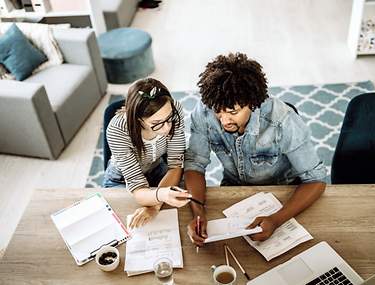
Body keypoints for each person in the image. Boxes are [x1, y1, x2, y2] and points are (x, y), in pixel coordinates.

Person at [184, 53, 327, 246]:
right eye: (218, 112)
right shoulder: (203, 112)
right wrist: (199, 214)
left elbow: (316, 180)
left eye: (233, 112)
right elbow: (194, 164)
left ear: (252, 103)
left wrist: (276, 220)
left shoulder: (283, 120)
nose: (224, 120)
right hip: (232, 187)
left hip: (282, 191)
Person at [103, 78, 191, 227]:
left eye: (169, 119)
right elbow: (138, 188)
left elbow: (176, 163)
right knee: (123, 223)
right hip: (121, 180)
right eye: (157, 124)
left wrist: (155, 205)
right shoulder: (117, 130)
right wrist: (161, 196)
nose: (167, 128)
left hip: (157, 169)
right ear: (137, 119)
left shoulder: (174, 109)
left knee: (184, 206)